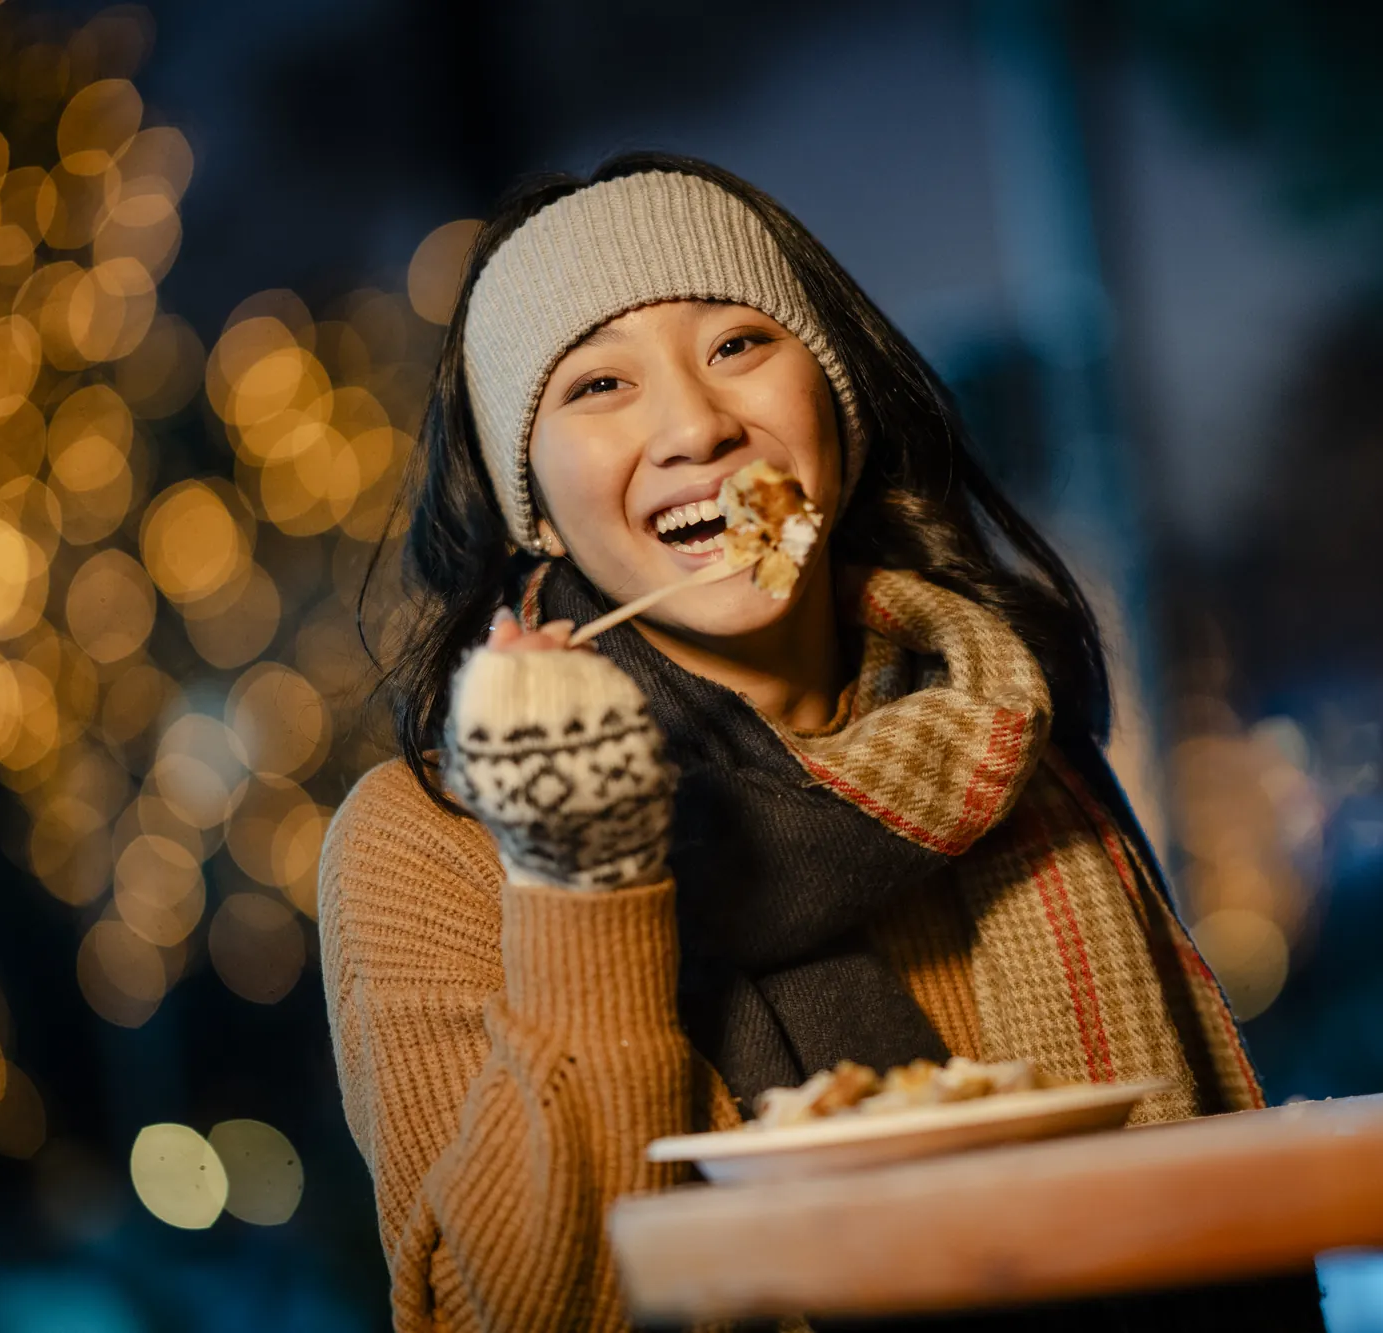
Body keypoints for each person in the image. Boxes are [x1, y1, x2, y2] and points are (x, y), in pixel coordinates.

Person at [318, 153, 1321, 1332]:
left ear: (834, 408)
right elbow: (523, 1314)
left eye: (738, 344)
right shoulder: (433, 839)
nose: (694, 425)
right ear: (529, 497)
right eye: (597, 384)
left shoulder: (1011, 753)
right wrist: (579, 874)